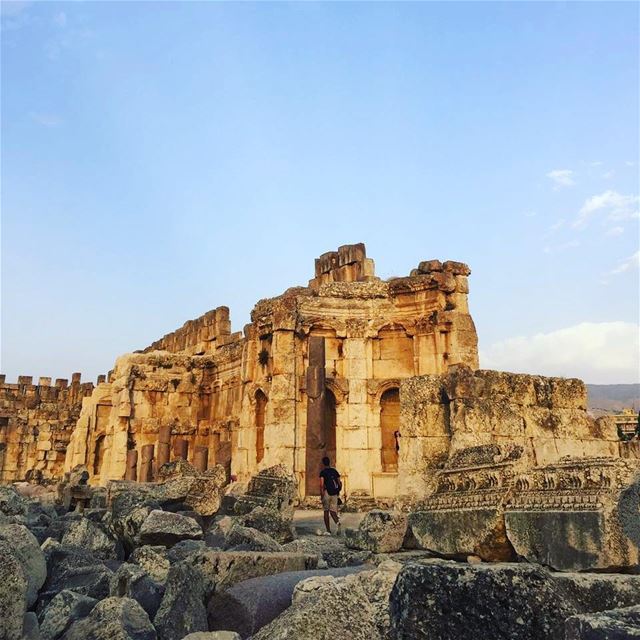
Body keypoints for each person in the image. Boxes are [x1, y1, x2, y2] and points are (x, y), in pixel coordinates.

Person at [319, 456, 342, 535]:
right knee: (333, 511)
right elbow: (339, 483)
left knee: (326, 511)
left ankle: (328, 530)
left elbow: (322, 485)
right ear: (329, 462)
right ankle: (337, 523)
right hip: (334, 493)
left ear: (323, 464)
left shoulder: (323, 472)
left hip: (327, 493)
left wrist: (322, 495)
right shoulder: (334, 471)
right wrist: (338, 492)